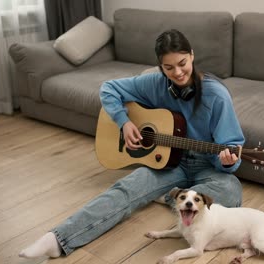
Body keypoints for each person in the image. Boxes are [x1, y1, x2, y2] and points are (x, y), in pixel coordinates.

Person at [19, 29, 245, 259]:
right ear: (160, 67)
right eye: (169, 68)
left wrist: (227, 161)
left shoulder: (216, 96)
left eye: (182, 63)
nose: (178, 73)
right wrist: (124, 122)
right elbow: (108, 89)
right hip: (168, 162)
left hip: (207, 165)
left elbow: (231, 145)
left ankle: (173, 196)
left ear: (192, 56)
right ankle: (57, 239)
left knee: (230, 191)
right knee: (124, 190)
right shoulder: (154, 84)